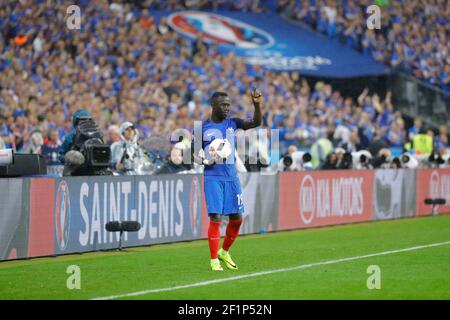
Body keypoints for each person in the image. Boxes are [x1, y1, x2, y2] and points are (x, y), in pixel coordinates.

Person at [200, 89, 262, 271]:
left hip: (231, 177)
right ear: (213, 105)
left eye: (228, 104)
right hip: (213, 177)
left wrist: (257, 104)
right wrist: (206, 160)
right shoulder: (201, 127)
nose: (227, 108)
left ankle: (224, 251)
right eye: (223, 104)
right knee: (216, 217)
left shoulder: (233, 123)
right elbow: (193, 153)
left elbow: (256, 122)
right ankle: (213, 261)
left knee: (237, 219)